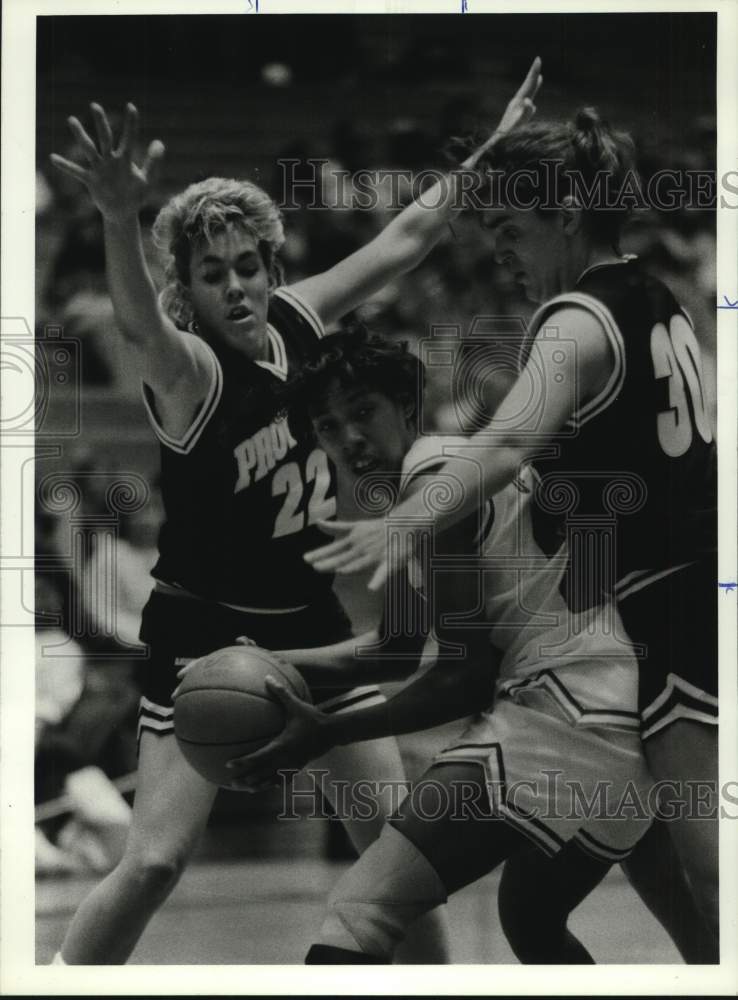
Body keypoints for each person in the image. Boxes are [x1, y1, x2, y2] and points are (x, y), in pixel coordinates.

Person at [46, 61, 542, 965]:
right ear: (185, 291)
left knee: (399, 854)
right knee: (153, 862)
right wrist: (120, 217)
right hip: (203, 638)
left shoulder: (300, 323)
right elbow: (135, 327)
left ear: (273, 268)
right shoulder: (189, 371)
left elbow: (408, 237)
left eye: (246, 267)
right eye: (210, 274)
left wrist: (494, 149)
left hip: (308, 629)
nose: (233, 288)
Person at [298, 109, 719, 943]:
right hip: (669, 607)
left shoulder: (573, 319)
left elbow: (510, 437)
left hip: (668, 612)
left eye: (510, 228)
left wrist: (406, 518)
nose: (499, 250)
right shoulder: (657, 295)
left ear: (565, 214)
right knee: (637, 899)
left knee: (711, 874)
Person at [217, 329, 657, 963]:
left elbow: (464, 677)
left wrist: (328, 731)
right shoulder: (421, 493)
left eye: (363, 411)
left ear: (406, 406)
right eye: (328, 426)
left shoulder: (433, 474)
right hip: (620, 731)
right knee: (530, 918)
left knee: (360, 908)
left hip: (567, 716)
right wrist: (266, 664)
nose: (349, 439)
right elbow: (396, 648)